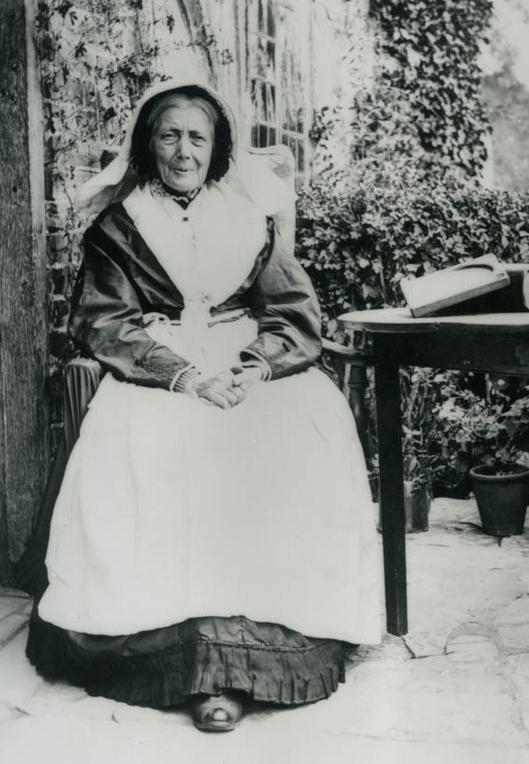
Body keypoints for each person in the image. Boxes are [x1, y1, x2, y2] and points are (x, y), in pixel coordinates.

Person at [25, 80, 381, 732]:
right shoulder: (118, 225)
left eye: (196, 136)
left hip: (246, 363)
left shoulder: (253, 217)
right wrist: (185, 377)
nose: (182, 150)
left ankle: (259, 654)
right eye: (169, 135)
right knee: (157, 444)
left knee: (283, 439)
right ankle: (186, 661)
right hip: (156, 368)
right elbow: (105, 323)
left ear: (217, 147)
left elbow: (295, 314)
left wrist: (254, 367)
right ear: (148, 144)